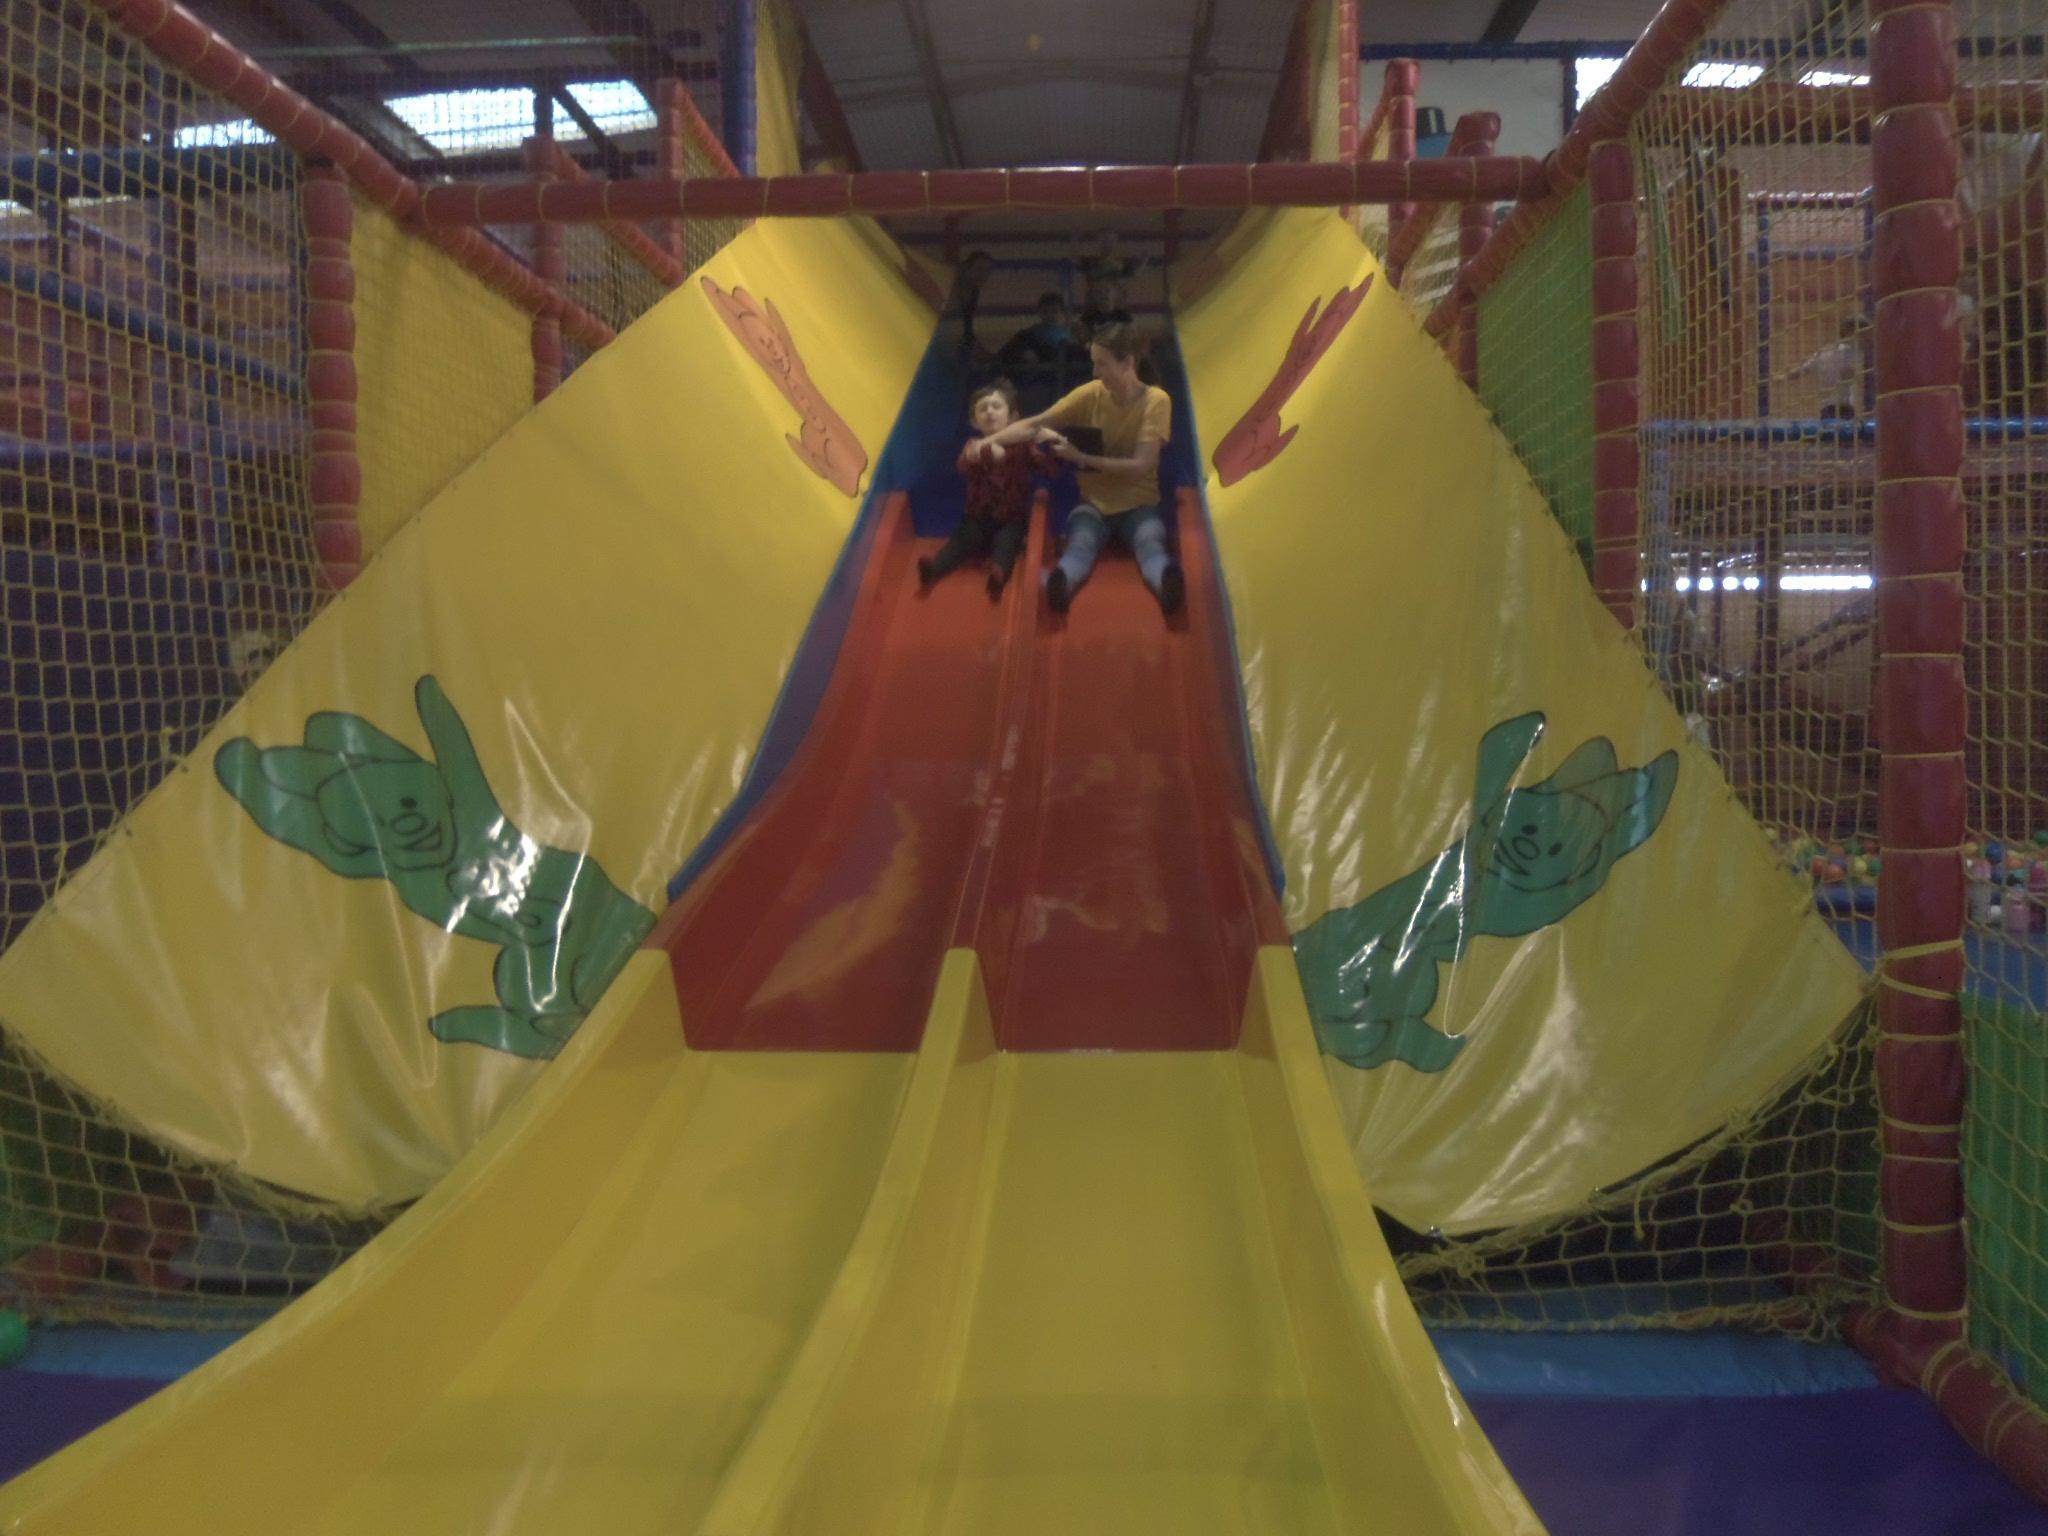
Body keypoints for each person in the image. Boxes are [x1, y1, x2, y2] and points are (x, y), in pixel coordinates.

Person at [987, 323, 1183, 618]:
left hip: (1140, 503)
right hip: (1094, 503)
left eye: (1102, 364)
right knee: (1080, 544)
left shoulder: (1156, 401)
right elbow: (1035, 424)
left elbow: (1139, 466)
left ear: (1127, 363)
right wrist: (986, 442)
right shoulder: (1091, 394)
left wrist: (1081, 457)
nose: (1094, 372)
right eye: (1094, 363)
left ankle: (1166, 582)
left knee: (1149, 543)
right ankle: (1061, 581)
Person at [920, 379, 1058, 599]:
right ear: (974, 422)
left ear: (1012, 417)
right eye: (983, 409)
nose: (990, 412)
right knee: (961, 540)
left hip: (1011, 518)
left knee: (1008, 542)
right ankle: (935, 567)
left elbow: (1048, 470)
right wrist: (985, 452)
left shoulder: (1024, 447)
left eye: (996, 406)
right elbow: (964, 464)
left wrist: (1052, 446)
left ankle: (999, 573)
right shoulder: (973, 445)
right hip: (977, 518)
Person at [1078, 231, 1135, 330]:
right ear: (1097, 242)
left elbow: (1127, 281)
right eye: (1103, 240)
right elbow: (1074, 257)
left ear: (1116, 242)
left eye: (1111, 240)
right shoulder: (1090, 262)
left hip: (1116, 308)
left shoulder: (1124, 264)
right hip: (1094, 309)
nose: (1107, 243)